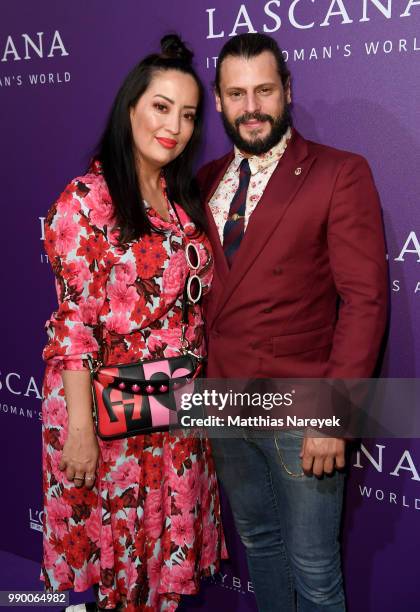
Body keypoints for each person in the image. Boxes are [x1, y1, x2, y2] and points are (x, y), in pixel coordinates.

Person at [197, 33, 388, 611]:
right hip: (224, 406)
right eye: (237, 93)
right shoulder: (203, 181)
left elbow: (364, 302)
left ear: (287, 92)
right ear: (219, 100)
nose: (251, 106)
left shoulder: (339, 173)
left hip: (302, 413)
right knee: (259, 545)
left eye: (264, 90)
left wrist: (335, 414)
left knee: (314, 567)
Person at [42, 35, 226, 612]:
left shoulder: (185, 199)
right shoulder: (84, 202)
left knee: (157, 574)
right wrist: (79, 431)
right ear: (131, 109)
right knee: (115, 571)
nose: (174, 125)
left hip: (174, 417)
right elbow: (73, 327)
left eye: (189, 114)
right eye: (161, 106)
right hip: (102, 416)